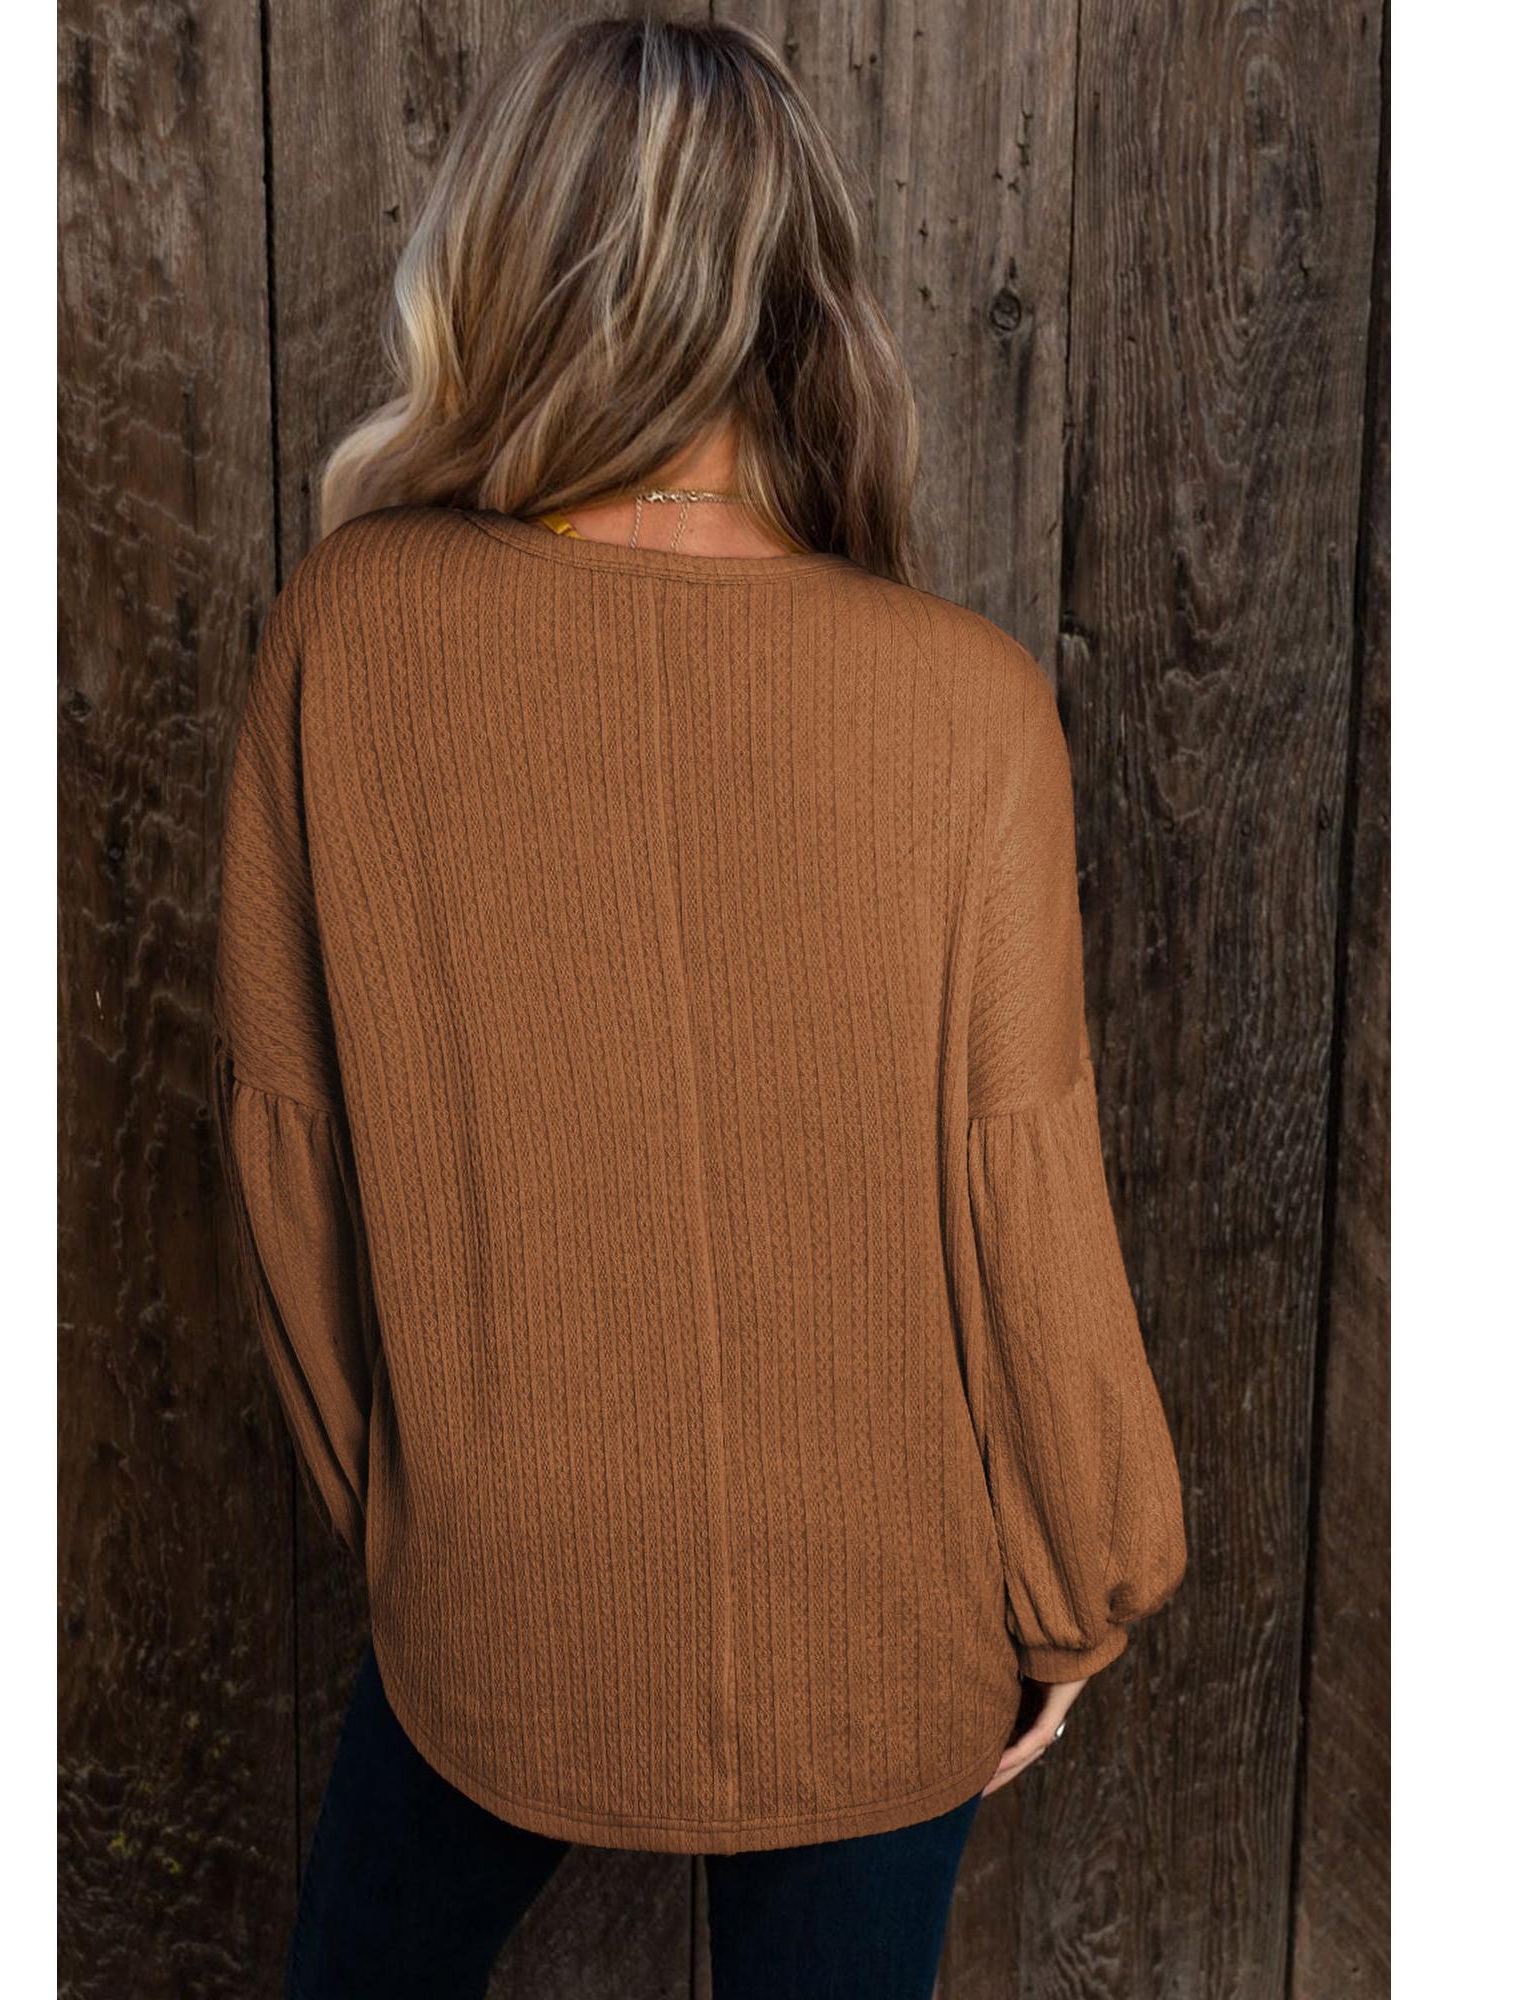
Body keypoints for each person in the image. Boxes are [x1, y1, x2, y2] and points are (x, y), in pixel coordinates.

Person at [209, 14, 1187, 1998]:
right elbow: (1025, 1187)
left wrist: (415, 1512)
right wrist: (1081, 1584)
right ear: (807, 290)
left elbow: (289, 1156)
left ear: (498, 260)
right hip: (887, 1603)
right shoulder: (967, 700)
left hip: (501, 1576)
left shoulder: (352, 636)